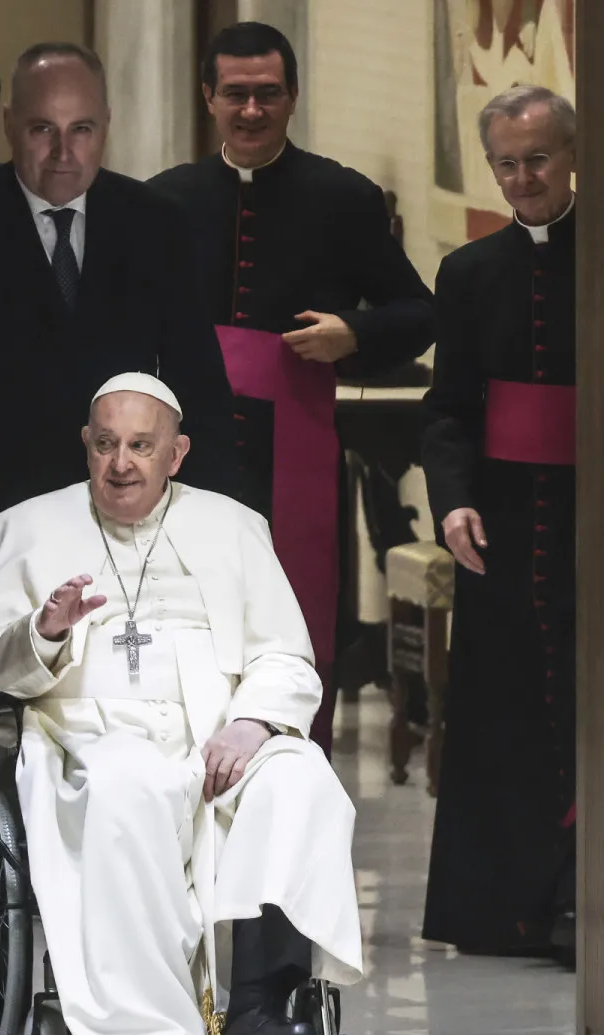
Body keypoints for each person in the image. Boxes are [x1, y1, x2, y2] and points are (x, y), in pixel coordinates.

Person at [0, 373, 362, 1035]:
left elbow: (287, 659)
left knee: (298, 782)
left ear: (177, 454)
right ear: (86, 445)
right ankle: (142, 1026)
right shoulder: (23, 528)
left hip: (221, 728)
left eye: (142, 446)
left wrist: (254, 724)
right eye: (107, 444)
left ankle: (263, 1011)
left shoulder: (234, 526)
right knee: (128, 786)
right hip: (86, 734)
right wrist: (44, 631)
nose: (122, 464)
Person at [149, 21, 435, 754]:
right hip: (187, 454)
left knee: (296, 624)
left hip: (294, 455)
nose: (252, 110)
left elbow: (421, 310)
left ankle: (290, 781)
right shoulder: (162, 203)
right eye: (236, 94)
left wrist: (355, 334)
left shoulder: (342, 197)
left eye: (268, 94)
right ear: (208, 96)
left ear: (293, 96)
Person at [0, 42, 245, 609]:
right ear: (11, 126)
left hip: (129, 528)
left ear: (107, 126)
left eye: (82, 129)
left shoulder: (156, 225)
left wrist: (215, 533)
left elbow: (199, 390)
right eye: (44, 129)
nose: (64, 152)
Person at [419, 85, 579, 962]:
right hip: (506, 529)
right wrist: (453, 501)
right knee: (507, 721)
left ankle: (583, 898)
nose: (523, 180)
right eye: (506, 165)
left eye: (538, 160)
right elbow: (450, 410)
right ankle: (505, 908)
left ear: (570, 153)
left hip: (595, 521)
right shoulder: (470, 273)